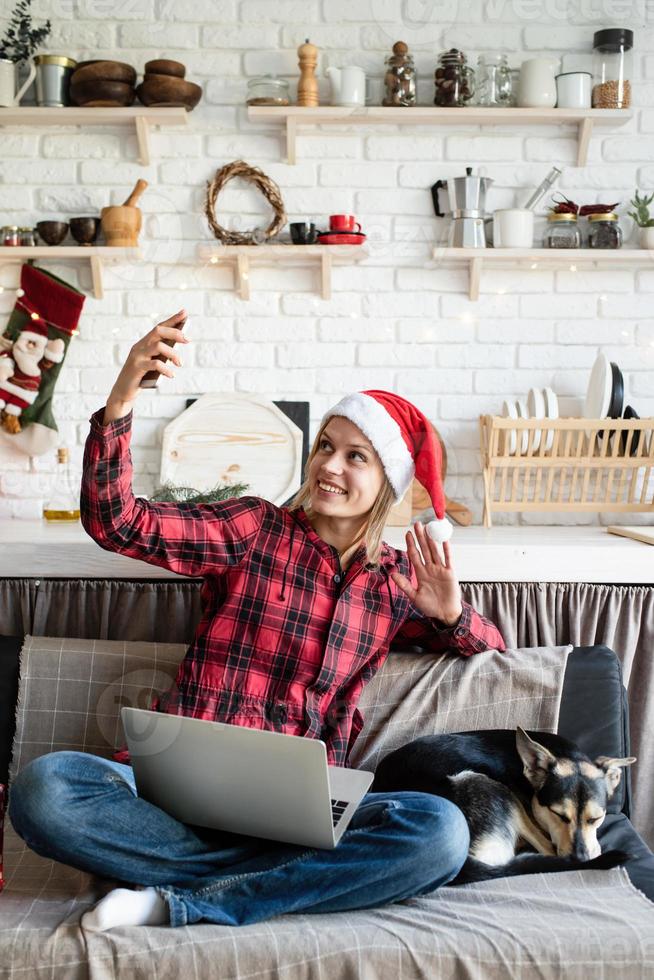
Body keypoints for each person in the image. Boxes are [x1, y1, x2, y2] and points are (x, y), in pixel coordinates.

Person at [9, 309, 506, 931]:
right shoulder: (252, 529)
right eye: (326, 445)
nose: (330, 466)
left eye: (357, 457)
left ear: (386, 483)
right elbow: (119, 522)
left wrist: (451, 614)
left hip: (298, 818)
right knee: (45, 790)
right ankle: (261, 886)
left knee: (439, 831)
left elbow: (492, 652)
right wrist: (123, 394)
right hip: (171, 801)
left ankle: (179, 898)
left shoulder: (396, 583)